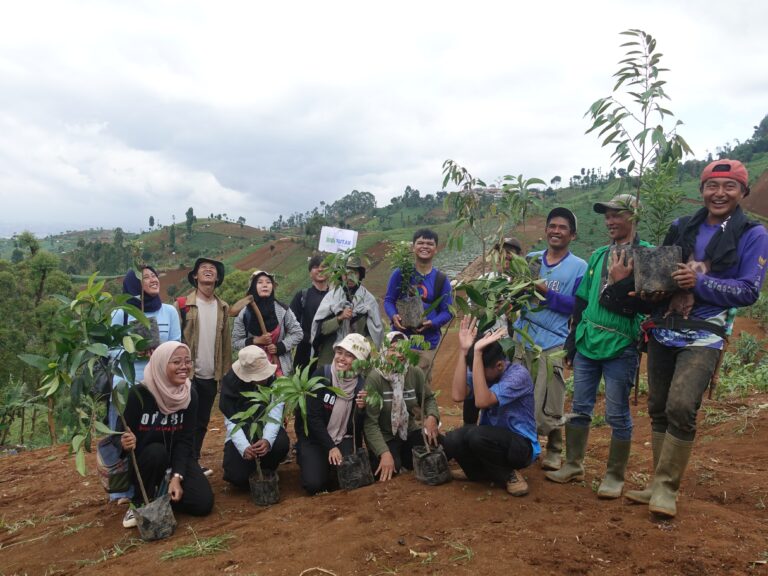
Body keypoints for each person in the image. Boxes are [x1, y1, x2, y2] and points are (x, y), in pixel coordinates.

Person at [623, 159, 768, 517]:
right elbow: (663, 272)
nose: (719, 193)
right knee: (657, 407)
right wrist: (645, 288)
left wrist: (698, 283)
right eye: (712, 186)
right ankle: (657, 484)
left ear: (743, 192)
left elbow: (749, 290)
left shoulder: (753, 234)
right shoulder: (681, 226)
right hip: (665, 327)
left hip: (705, 333)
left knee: (681, 406)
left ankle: (668, 489)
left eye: (729, 186)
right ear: (702, 190)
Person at [546, 194, 650, 499]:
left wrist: (622, 284)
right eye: (607, 216)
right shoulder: (598, 255)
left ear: (633, 217)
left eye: (617, 215)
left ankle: (615, 475)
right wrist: (572, 338)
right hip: (588, 341)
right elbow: (581, 298)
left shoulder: (646, 256)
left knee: (617, 413)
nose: (610, 221)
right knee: (579, 408)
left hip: (621, 344)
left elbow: (646, 304)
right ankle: (574, 464)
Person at [512, 208, 587, 470]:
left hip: (553, 340)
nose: (556, 231)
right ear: (545, 230)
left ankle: (554, 449)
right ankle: (523, 444)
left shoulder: (579, 266)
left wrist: (546, 293)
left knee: (552, 397)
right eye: (552, 226)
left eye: (562, 227)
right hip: (523, 337)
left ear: (572, 235)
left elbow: (578, 306)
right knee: (520, 395)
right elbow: (518, 294)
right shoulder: (532, 260)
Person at [116, 341, 214, 529]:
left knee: (203, 504)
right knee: (156, 451)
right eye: (176, 362)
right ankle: (139, 500)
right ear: (161, 363)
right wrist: (126, 442)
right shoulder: (139, 394)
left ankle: (164, 491)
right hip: (148, 462)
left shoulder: (189, 394)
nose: (184, 367)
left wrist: (177, 476)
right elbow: (120, 435)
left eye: (187, 361)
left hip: (177, 459)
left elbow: (186, 440)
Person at [443, 317, 540, 496]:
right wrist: (464, 351)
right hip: (489, 439)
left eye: (478, 367)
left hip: (520, 447)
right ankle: (480, 473)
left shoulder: (518, 376)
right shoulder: (485, 371)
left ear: (500, 365)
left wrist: (478, 353)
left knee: (476, 435)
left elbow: (482, 401)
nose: (475, 372)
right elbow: (458, 395)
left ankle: (509, 474)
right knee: (453, 439)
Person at [108, 265, 181, 503]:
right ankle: (123, 491)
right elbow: (110, 349)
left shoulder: (169, 311)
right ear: (134, 286)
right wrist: (134, 351)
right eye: (145, 277)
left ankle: (157, 480)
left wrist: (160, 354)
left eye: (153, 275)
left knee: (153, 436)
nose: (152, 279)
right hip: (128, 383)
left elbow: (176, 344)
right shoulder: (123, 313)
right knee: (124, 436)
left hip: (157, 383)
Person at [175, 257, 232, 477]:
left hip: (211, 374)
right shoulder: (183, 306)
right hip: (187, 375)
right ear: (195, 276)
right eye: (203, 269)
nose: (208, 271)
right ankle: (181, 464)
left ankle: (193, 461)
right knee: (183, 421)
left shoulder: (222, 307)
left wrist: (225, 375)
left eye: (213, 269)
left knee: (201, 422)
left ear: (217, 278)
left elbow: (226, 344)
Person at [294, 333, 371, 495]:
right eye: (339, 352)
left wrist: (361, 409)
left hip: (342, 437)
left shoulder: (361, 386)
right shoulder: (322, 376)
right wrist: (330, 447)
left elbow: (356, 428)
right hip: (316, 438)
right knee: (315, 484)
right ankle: (305, 456)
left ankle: (327, 464)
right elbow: (312, 417)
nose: (341, 358)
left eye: (349, 355)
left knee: (351, 478)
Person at [364, 332, 440, 482]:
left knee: (442, 447)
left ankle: (406, 460)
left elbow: (429, 398)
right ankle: (396, 459)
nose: (399, 354)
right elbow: (370, 423)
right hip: (385, 436)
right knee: (390, 469)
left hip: (408, 431)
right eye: (392, 349)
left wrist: (432, 416)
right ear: (384, 351)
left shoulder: (414, 372)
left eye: (403, 348)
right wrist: (384, 453)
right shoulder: (375, 378)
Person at [384, 229, 453, 385]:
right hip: (400, 341)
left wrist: (432, 323)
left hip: (426, 343)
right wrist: (394, 316)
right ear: (413, 247)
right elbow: (388, 300)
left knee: (420, 387)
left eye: (430, 243)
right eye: (420, 243)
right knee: (393, 382)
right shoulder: (401, 273)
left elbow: (448, 311)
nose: (425, 246)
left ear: (436, 248)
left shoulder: (441, 279)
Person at [219, 346, 290, 490]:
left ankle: (268, 467)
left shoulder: (274, 381)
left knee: (280, 443)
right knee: (237, 476)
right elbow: (232, 420)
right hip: (242, 430)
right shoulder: (230, 384)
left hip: (266, 426)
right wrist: (244, 447)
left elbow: (274, 414)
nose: (263, 378)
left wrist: (267, 440)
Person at [310, 255, 383, 364]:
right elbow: (321, 329)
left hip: (357, 356)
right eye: (347, 273)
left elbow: (375, 331)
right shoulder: (331, 297)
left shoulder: (368, 300)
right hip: (331, 355)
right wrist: (340, 318)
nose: (350, 277)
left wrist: (363, 346)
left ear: (360, 275)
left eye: (354, 273)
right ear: (341, 275)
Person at [232, 270, 303, 377]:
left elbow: (298, 333)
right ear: (253, 287)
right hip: (253, 370)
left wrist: (280, 347)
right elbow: (236, 342)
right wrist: (256, 340)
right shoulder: (244, 314)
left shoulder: (283, 310)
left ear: (272, 287)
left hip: (278, 369)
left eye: (268, 282)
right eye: (260, 282)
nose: (265, 285)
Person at [289, 255, 330, 373]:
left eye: (324, 266)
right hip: (304, 353)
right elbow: (291, 323)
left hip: (328, 352)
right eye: (316, 267)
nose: (320, 269)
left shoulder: (336, 297)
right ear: (310, 273)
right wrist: (309, 339)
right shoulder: (302, 296)